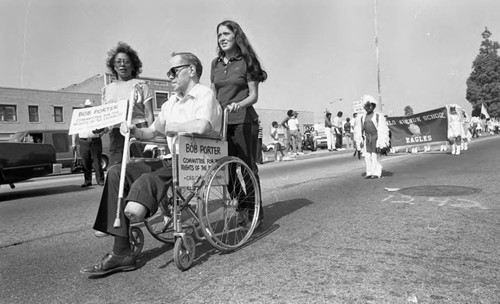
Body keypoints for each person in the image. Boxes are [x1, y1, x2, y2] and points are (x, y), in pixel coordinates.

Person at [80, 52, 222, 276]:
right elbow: (153, 131)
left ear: (191, 71)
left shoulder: (204, 95)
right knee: (118, 171)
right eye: (169, 73)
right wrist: (135, 130)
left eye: (174, 71)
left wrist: (173, 126)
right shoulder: (170, 103)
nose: (170, 77)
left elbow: (203, 126)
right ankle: (121, 251)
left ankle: (135, 209)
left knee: (148, 179)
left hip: (197, 161)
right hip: (171, 161)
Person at [210, 20, 267, 227]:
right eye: (219, 35)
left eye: (226, 34)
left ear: (236, 36)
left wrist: (238, 104)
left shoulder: (247, 61)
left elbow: (253, 96)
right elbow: (213, 95)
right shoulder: (215, 64)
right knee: (225, 170)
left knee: (247, 168)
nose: (222, 38)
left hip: (244, 122)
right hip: (223, 125)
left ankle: (256, 213)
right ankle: (244, 207)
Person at [101, 42, 154, 166]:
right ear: (113, 66)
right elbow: (106, 118)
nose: (122, 65)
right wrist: (99, 128)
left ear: (133, 65)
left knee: (140, 167)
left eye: (126, 61)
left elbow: (149, 114)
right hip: (116, 133)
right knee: (116, 169)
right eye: (118, 61)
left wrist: (151, 139)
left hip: (138, 130)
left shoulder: (141, 85)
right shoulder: (106, 90)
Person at [354, 95, 390, 179]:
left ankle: (376, 173)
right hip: (367, 139)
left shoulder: (378, 116)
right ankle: (369, 172)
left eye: (370, 106)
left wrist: (382, 142)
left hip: (376, 138)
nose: (368, 108)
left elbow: (383, 130)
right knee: (367, 156)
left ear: (373, 106)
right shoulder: (362, 117)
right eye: (366, 106)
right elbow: (359, 130)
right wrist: (359, 142)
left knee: (375, 155)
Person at [72, 99, 105, 187]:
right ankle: (87, 181)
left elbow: (104, 128)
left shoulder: (97, 117)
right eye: (87, 107)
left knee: (97, 161)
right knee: (85, 162)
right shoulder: (79, 118)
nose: (88, 109)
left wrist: (100, 133)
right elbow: (74, 130)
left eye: (90, 107)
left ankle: (100, 180)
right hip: (83, 141)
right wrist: (73, 143)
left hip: (95, 141)